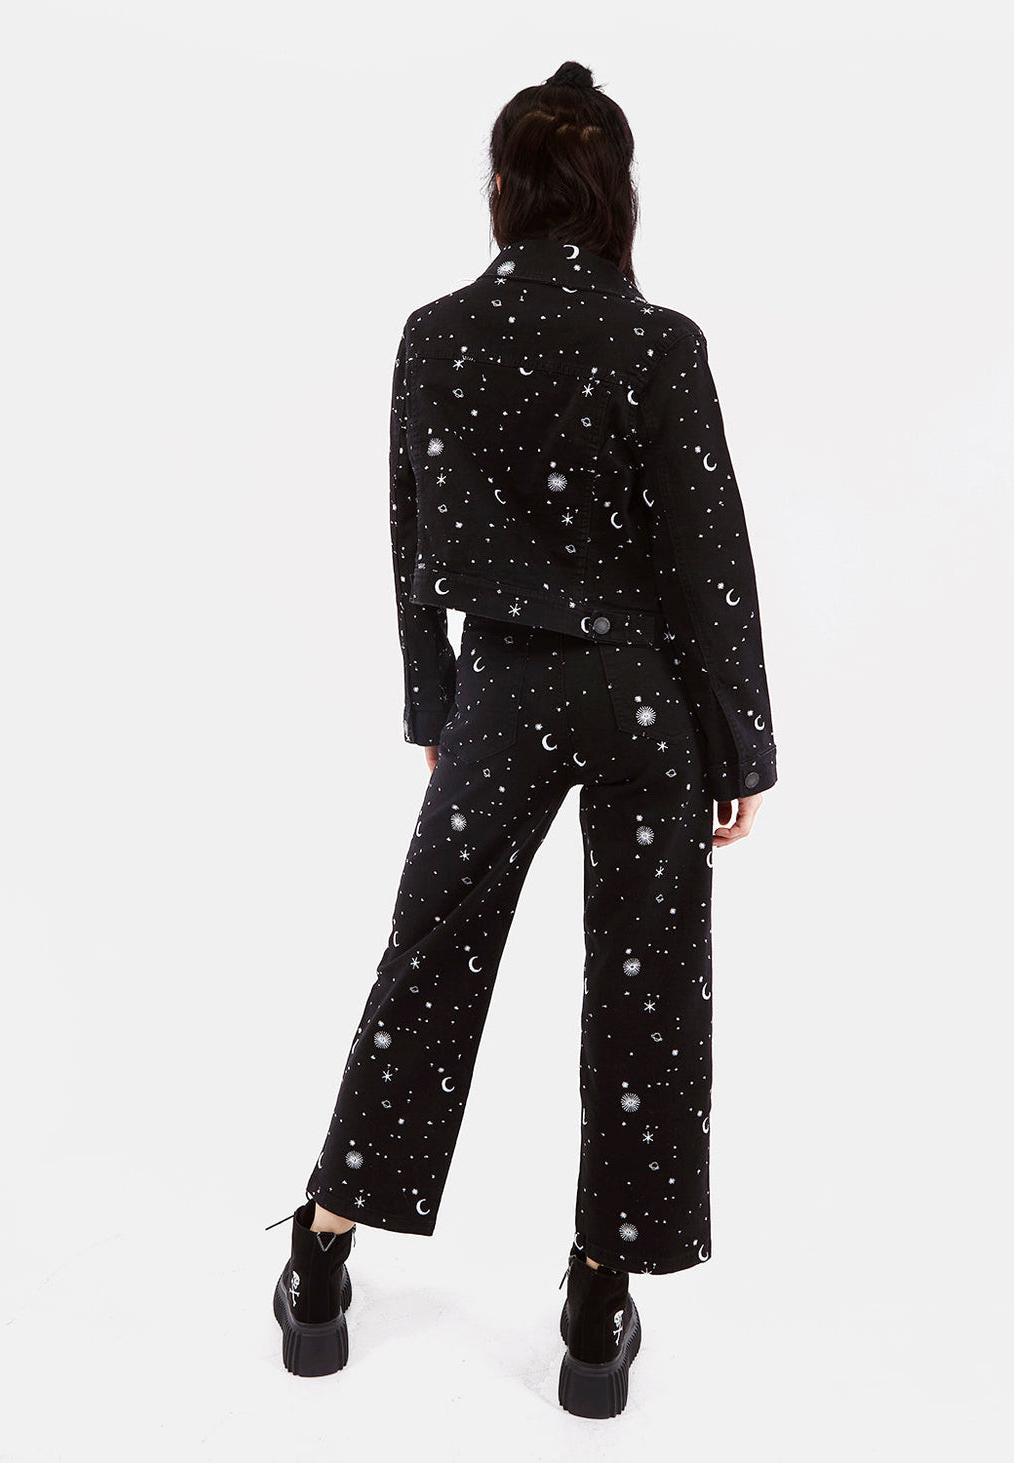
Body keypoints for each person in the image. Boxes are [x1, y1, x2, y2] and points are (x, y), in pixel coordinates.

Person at [267, 59, 778, 1417]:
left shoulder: (437, 335)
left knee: (429, 960)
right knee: (647, 989)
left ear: (503, 186)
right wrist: (738, 741)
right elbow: (707, 555)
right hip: (643, 696)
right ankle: (600, 1301)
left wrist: (434, 703)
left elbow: (410, 535)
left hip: (503, 688)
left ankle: (323, 1249)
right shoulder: (658, 343)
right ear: (615, 195)